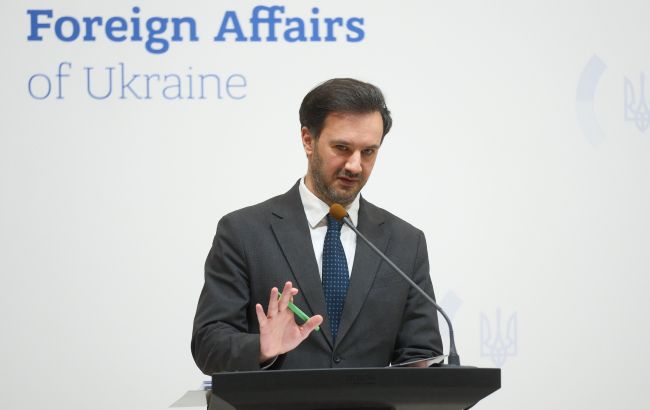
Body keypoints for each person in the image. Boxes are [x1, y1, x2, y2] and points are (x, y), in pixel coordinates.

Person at [192, 78, 443, 374]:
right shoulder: (244, 232)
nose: (354, 165)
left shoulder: (405, 243)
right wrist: (261, 348)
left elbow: (422, 352)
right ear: (308, 140)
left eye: (368, 152)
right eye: (342, 147)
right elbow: (208, 344)